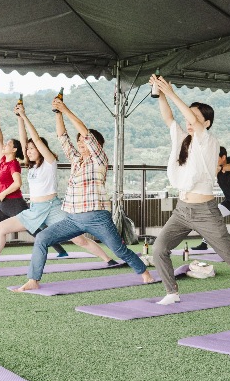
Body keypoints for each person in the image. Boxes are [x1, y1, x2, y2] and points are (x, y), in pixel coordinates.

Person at [148, 77, 230, 304]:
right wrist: (161, 94)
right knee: (159, 249)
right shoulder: (185, 139)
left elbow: (187, 118)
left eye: (194, 117)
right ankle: (172, 292)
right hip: (182, 210)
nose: (189, 121)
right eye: (189, 116)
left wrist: (172, 93)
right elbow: (169, 118)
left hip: (205, 211)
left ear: (206, 123)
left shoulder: (208, 140)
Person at [15, 99, 152, 291]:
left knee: (119, 250)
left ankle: (144, 273)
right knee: (42, 238)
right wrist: (58, 114)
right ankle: (33, 280)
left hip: (97, 218)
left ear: (97, 145)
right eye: (78, 140)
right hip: (73, 219)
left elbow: (86, 133)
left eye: (83, 140)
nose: (80, 142)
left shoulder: (99, 159)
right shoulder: (76, 160)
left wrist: (66, 109)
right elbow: (62, 137)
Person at [0, 103, 113, 273]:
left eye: (32, 149)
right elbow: (24, 140)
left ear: (41, 149)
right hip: (35, 210)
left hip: (52, 208)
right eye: (27, 149)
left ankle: (108, 259)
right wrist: (20, 118)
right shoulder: (31, 166)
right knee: (1, 228)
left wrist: (25, 117)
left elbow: (35, 139)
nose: (28, 151)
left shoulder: (50, 162)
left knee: (79, 239)